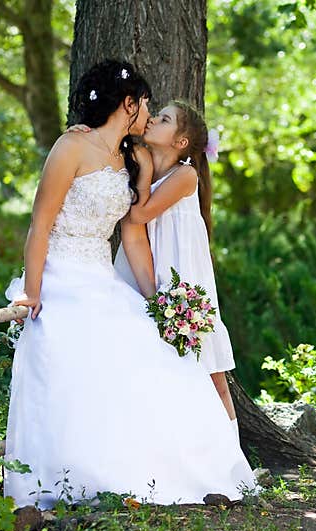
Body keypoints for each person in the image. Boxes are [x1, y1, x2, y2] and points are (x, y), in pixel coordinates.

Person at [4, 59, 258, 509]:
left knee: (155, 355)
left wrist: (154, 301)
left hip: (102, 276)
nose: (149, 112)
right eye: (146, 105)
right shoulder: (71, 147)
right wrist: (34, 292)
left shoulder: (131, 157)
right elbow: (39, 225)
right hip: (61, 276)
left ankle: (170, 471)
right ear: (128, 104)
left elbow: (134, 234)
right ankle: (66, 480)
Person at [113, 101, 239, 426]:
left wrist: (140, 171)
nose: (153, 118)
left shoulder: (184, 175)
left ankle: (233, 460)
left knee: (213, 375)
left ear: (180, 142)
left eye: (165, 119)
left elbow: (139, 213)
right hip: (151, 272)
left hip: (184, 278)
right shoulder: (148, 170)